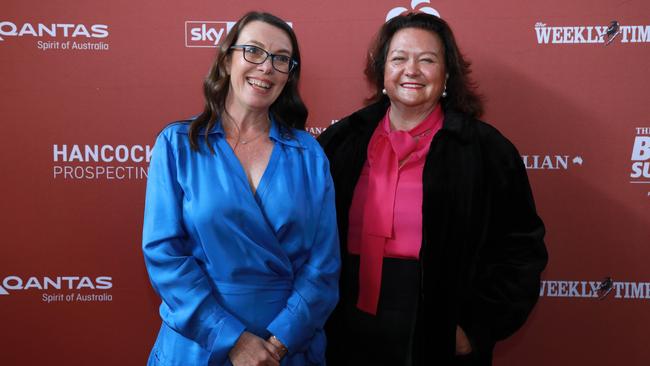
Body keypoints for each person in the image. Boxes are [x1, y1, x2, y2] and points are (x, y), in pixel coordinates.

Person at [318, 12, 548, 366]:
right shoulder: (341, 142)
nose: (411, 70)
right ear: (382, 73)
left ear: (446, 76)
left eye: (427, 60)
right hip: (347, 326)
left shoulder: (485, 150)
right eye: (399, 59)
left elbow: (521, 249)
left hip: (437, 332)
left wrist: (476, 327)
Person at [142, 11, 340, 366]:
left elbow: (323, 265)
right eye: (253, 51)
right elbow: (163, 254)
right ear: (226, 58)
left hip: (288, 346)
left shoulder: (308, 154)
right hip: (197, 344)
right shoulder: (176, 145)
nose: (266, 67)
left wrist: (278, 344)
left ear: (289, 75)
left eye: (281, 59)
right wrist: (230, 338)